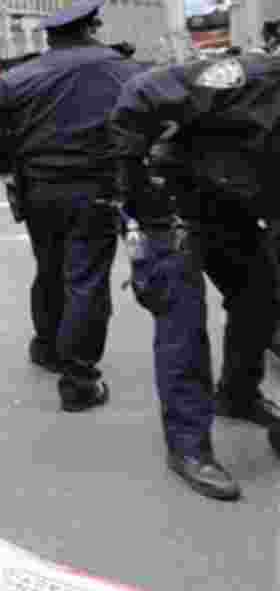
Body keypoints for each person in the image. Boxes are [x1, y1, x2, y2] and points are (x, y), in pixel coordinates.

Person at [108, 29, 280, 500]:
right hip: (173, 198)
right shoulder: (250, 77)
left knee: (261, 298)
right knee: (183, 319)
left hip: (235, 204)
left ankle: (238, 395)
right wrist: (135, 190)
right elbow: (141, 94)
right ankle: (188, 446)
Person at [0, 0, 144, 411]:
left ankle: (48, 345)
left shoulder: (18, 77)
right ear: (91, 28)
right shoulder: (122, 69)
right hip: (95, 188)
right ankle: (79, 378)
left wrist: (17, 147)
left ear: (48, 36)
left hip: (39, 191)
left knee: (49, 268)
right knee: (85, 279)